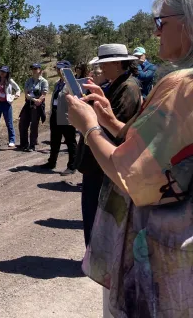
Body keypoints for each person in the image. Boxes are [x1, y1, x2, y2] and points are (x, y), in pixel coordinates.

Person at [66, 0, 193, 317]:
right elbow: (170, 150)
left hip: (161, 260)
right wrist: (111, 122)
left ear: (188, 23)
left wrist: (88, 126)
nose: (156, 32)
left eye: (161, 23)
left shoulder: (182, 85)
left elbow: (130, 174)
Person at [76, 44, 142, 247]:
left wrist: (86, 118)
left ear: (116, 63)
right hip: (99, 163)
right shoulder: (118, 85)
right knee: (92, 212)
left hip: (105, 164)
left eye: (104, 64)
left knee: (97, 214)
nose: (102, 69)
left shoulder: (128, 88)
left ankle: (97, 260)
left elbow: (116, 130)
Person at [41, 61, 77, 174]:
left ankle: (72, 166)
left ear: (67, 70)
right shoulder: (58, 82)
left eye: (61, 69)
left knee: (70, 141)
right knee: (54, 140)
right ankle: (52, 162)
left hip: (67, 115)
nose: (58, 71)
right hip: (56, 113)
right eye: (57, 69)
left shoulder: (72, 83)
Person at [18, 63, 49, 152]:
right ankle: (24, 143)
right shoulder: (29, 80)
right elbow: (26, 93)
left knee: (34, 125)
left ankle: (32, 145)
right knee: (22, 122)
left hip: (38, 105)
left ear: (40, 70)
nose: (34, 70)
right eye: (33, 69)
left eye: (36, 68)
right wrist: (33, 99)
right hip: (29, 103)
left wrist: (38, 101)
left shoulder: (44, 81)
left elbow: (44, 94)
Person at [0, 66, 21, 148]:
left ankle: (12, 140)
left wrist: (16, 95)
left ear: (7, 73)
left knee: (9, 123)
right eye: (1, 71)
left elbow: (18, 89)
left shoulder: (10, 81)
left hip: (7, 104)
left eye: (4, 72)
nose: (2, 73)